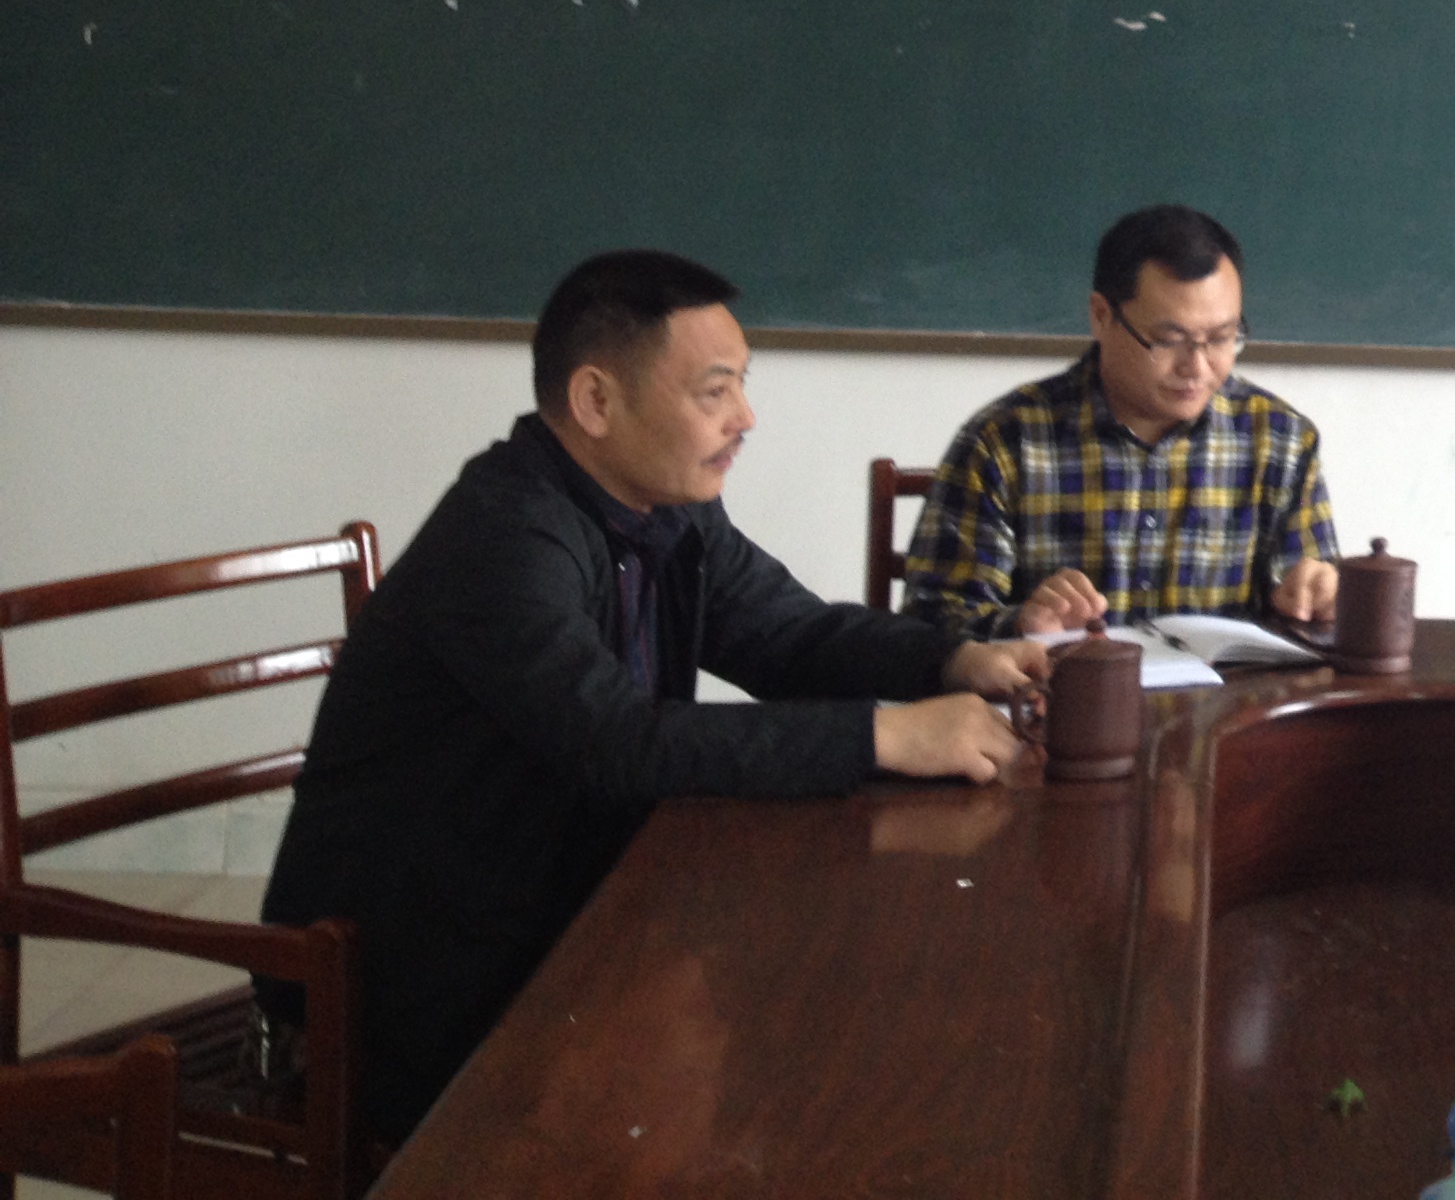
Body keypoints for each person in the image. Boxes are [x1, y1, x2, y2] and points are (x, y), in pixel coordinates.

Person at [261, 249, 1042, 1144]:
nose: (745, 418)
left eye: (742, 384)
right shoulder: (504, 536)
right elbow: (618, 743)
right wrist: (884, 737)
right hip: (402, 982)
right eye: (714, 391)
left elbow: (791, 634)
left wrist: (957, 661)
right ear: (596, 401)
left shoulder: (669, 509)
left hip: (558, 914)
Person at [903, 203, 1340, 638]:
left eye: (1222, 338)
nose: (1197, 366)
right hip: (1059, 683)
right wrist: (1020, 624)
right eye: (1169, 340)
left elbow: (1314, 611)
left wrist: (1323, 599)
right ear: (1101, 316)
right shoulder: (1005, 442)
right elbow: (930, 622)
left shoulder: (1280, 442)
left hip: (1224, 686)